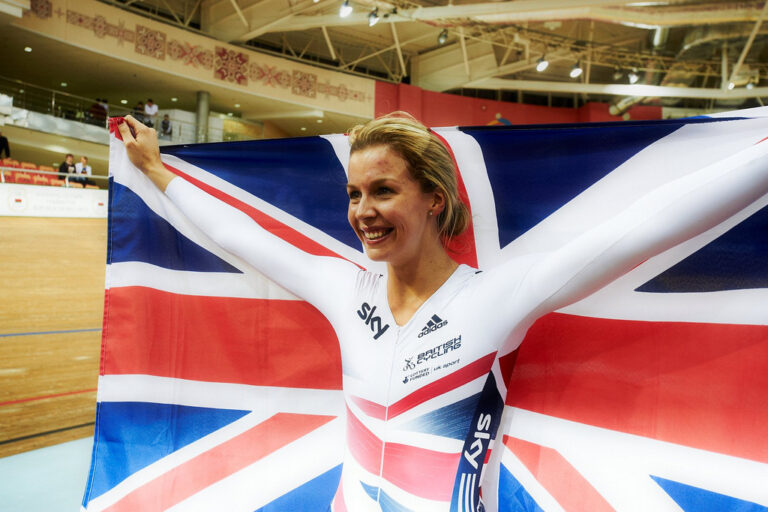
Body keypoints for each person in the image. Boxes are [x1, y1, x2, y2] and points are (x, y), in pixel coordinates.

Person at [116, 113, 768, 512]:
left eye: (383, 190)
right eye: (354, 194)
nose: (362, 212)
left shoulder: (497, 296)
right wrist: (156, 171)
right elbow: (240, 236)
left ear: (433, 198)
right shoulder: (344, 289)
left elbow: (645, 227)